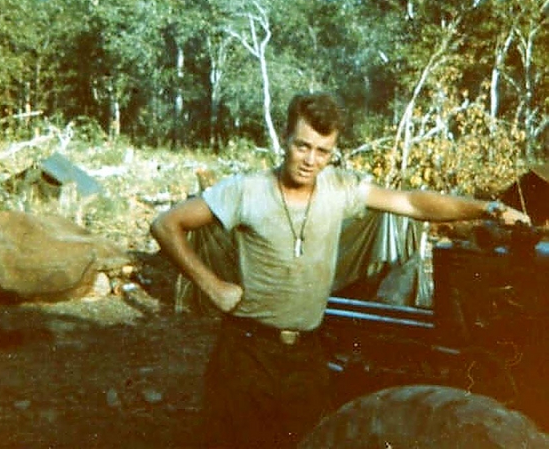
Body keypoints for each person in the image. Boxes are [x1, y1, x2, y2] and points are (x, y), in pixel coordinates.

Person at [150, 91, 529, 448]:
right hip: (246, 352)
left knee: (309, 439)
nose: (310, 160)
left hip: (306, 354)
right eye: (302, 146)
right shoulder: (246, 191)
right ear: (285, 138)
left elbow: (413, 203)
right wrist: (211, 285)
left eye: (322, 151)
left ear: (332, 152)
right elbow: (166, 225)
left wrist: (486, 208)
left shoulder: (340, 189)